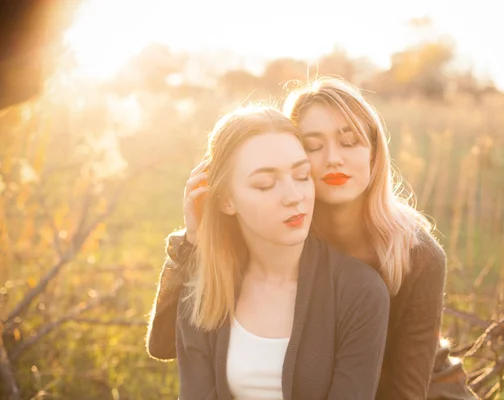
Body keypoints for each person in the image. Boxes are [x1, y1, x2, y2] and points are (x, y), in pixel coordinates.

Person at [147, 78, 477, 400]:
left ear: (376, 156)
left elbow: (406, 391)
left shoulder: (415, 254)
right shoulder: (282, 227)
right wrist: (191, 241)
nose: (333, 158)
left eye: (350, 142)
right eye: (314, 146)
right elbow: (166, 343)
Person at [174, 105, 390, 400]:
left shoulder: (359, 291)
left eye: (302, 176)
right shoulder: (202, 286)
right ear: (226, 200)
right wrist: (191, 241)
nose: (294, 197)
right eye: (266, 184)